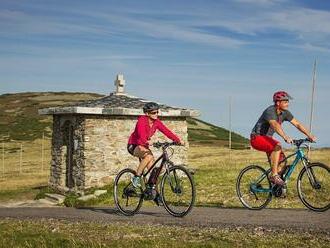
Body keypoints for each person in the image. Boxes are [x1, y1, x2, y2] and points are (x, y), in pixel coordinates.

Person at [250, 91, 316, 186]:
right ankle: (274, 175)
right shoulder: (270, 111)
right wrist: (285, 136)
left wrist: (309, 135)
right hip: (257, 138)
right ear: (278, 103)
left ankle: (275, 187)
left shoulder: (285, 113)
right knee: (277, 145)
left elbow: (297, 124)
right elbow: (274, 124)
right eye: (285, 102)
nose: (287, 104)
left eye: (287, 102)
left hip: (267, 140)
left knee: (283, 163)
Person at [127, 102, 183, 188]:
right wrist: (147, 141)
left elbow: (166, 131)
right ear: (147, 113)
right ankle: (136, 178)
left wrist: (178, 140)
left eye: (157, 112)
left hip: (144, 147)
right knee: (148, 156)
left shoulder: (157, 122)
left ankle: (154, 194)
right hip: (134, 145)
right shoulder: (141, 121)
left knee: (154, 175)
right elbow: (141, 135)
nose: (156, 114)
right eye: (153, 113)